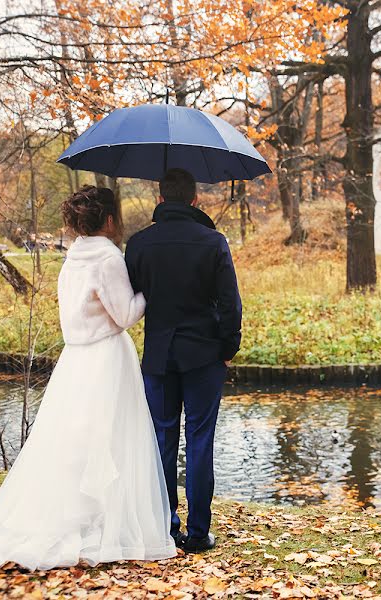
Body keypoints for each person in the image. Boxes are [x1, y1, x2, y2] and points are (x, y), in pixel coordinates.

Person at [0, 186, 176, 570]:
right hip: (107, 359)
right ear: (110, 220)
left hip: (75, 358)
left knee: (75, 442)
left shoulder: (74, 256)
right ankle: (106, 523)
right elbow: (126, 314)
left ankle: (83, 514)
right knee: (112, 439)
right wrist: (151, 292)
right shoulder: (109, 258)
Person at [125, 168, 242, 554]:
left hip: (159, 356)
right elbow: (231, 305)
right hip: (205, 355)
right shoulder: (213, 242)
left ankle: (165, 527)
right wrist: (228, 348)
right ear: (195, 200)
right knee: (199, 440)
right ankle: (197, 533)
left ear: (160, 200)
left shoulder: (139, 244)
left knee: (161, 439)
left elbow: (134, 299)